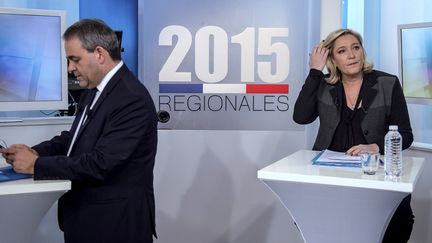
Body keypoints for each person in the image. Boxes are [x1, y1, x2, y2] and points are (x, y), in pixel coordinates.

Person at [0, 19, 157, 243]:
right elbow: (74, 138)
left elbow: (101, 163)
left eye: (75, 59)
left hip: (114, 227)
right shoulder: (95, 88)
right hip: (88, 221)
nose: (70, 68)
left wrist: (36, 165)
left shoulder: (131, 99)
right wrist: (34, 152)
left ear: (100, 54)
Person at [293, 28, 414, 243]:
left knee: (399, 220)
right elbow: (301, 117)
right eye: (342, 51)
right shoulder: (322, 85)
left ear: (362, 51)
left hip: (374, 175)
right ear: (332, 58)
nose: (351, 55)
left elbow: (405, 134)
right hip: (330, 177)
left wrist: (376, 147)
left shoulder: (387, 83)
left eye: (355, 48)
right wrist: (314, 72)